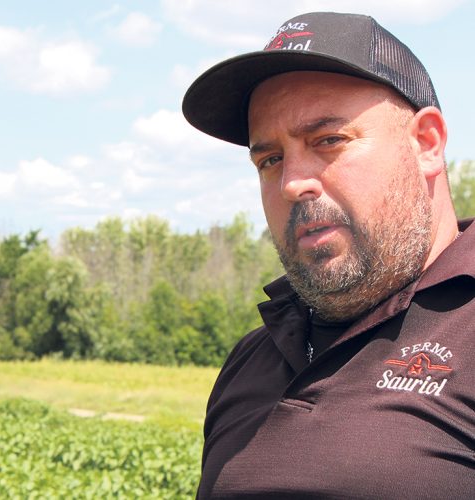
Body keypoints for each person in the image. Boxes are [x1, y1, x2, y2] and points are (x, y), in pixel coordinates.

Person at [182, 11, 474, 499]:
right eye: (270, 159)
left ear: (426, 143)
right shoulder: (250, 358)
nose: (293, 182)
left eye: (328, 140)